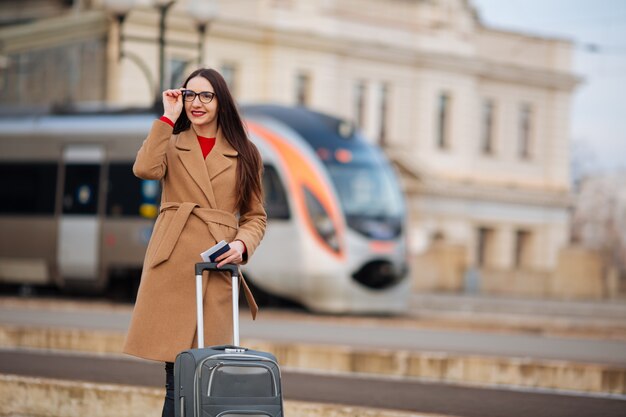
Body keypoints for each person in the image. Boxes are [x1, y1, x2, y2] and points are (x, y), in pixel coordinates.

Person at [123, 68, 267, 417]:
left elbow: (255, 217)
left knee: (208, 374)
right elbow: (144, 169)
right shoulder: (171, 142)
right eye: (189, 95)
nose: (196, 103)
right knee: (177, 376)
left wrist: (242, 246)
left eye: (206, 96)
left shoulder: (245, 153)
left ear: (221, 101)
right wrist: (167, 118)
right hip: (173, 265)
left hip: (215, 266)